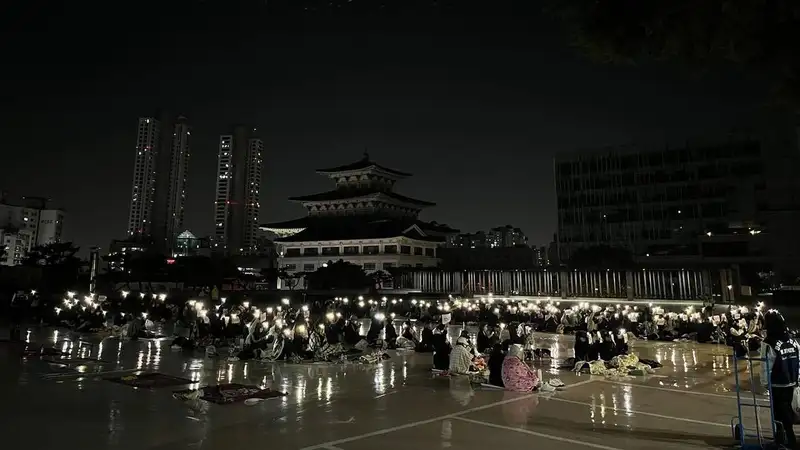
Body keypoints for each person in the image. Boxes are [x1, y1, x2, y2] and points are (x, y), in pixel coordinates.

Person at [760, 310, 799, 449]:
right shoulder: (793, 341)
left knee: (778, 413)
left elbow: (766, 365)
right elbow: (798, 360)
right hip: (791, 382)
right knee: (788, 410)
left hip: (777, 384)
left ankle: (784, 440)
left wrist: (765, 383)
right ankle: (786, 438)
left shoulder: (768, 342)